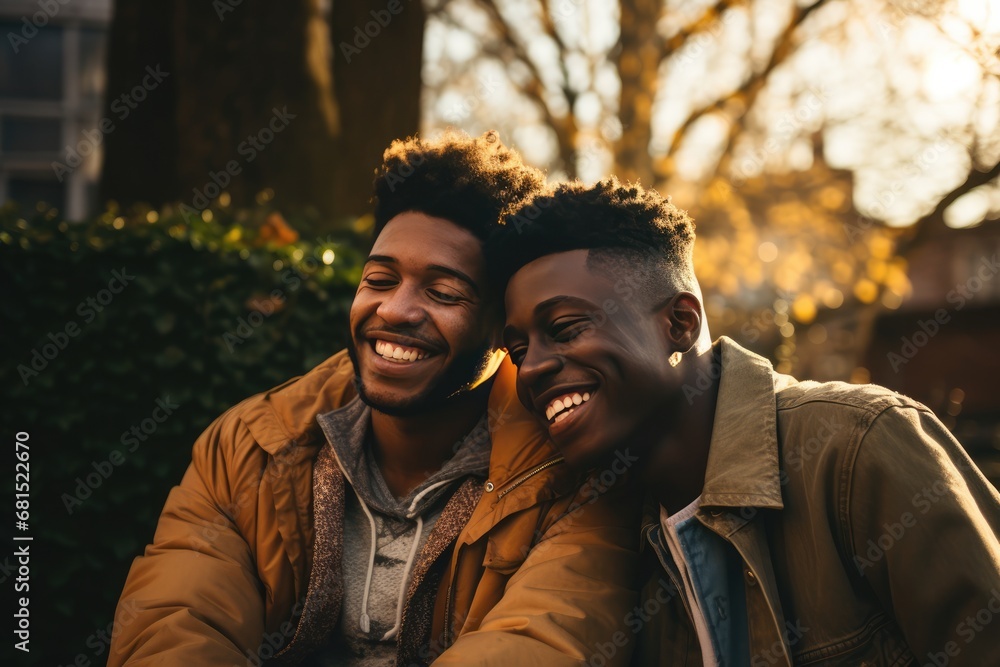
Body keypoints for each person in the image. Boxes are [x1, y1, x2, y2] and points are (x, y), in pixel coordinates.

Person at [108, 134, 640, 666]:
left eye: (443, 293)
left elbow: (543, 644)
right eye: (380, 280)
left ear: (504, 328)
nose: (395, 310)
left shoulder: (569, 477)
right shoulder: (249, 447)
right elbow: (175, 623)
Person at [488, 177, 1000, 666]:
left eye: (565, 328)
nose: (530, 367)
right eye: (518, 349)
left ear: (680, 324)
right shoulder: (615, 535)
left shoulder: (857, 446)